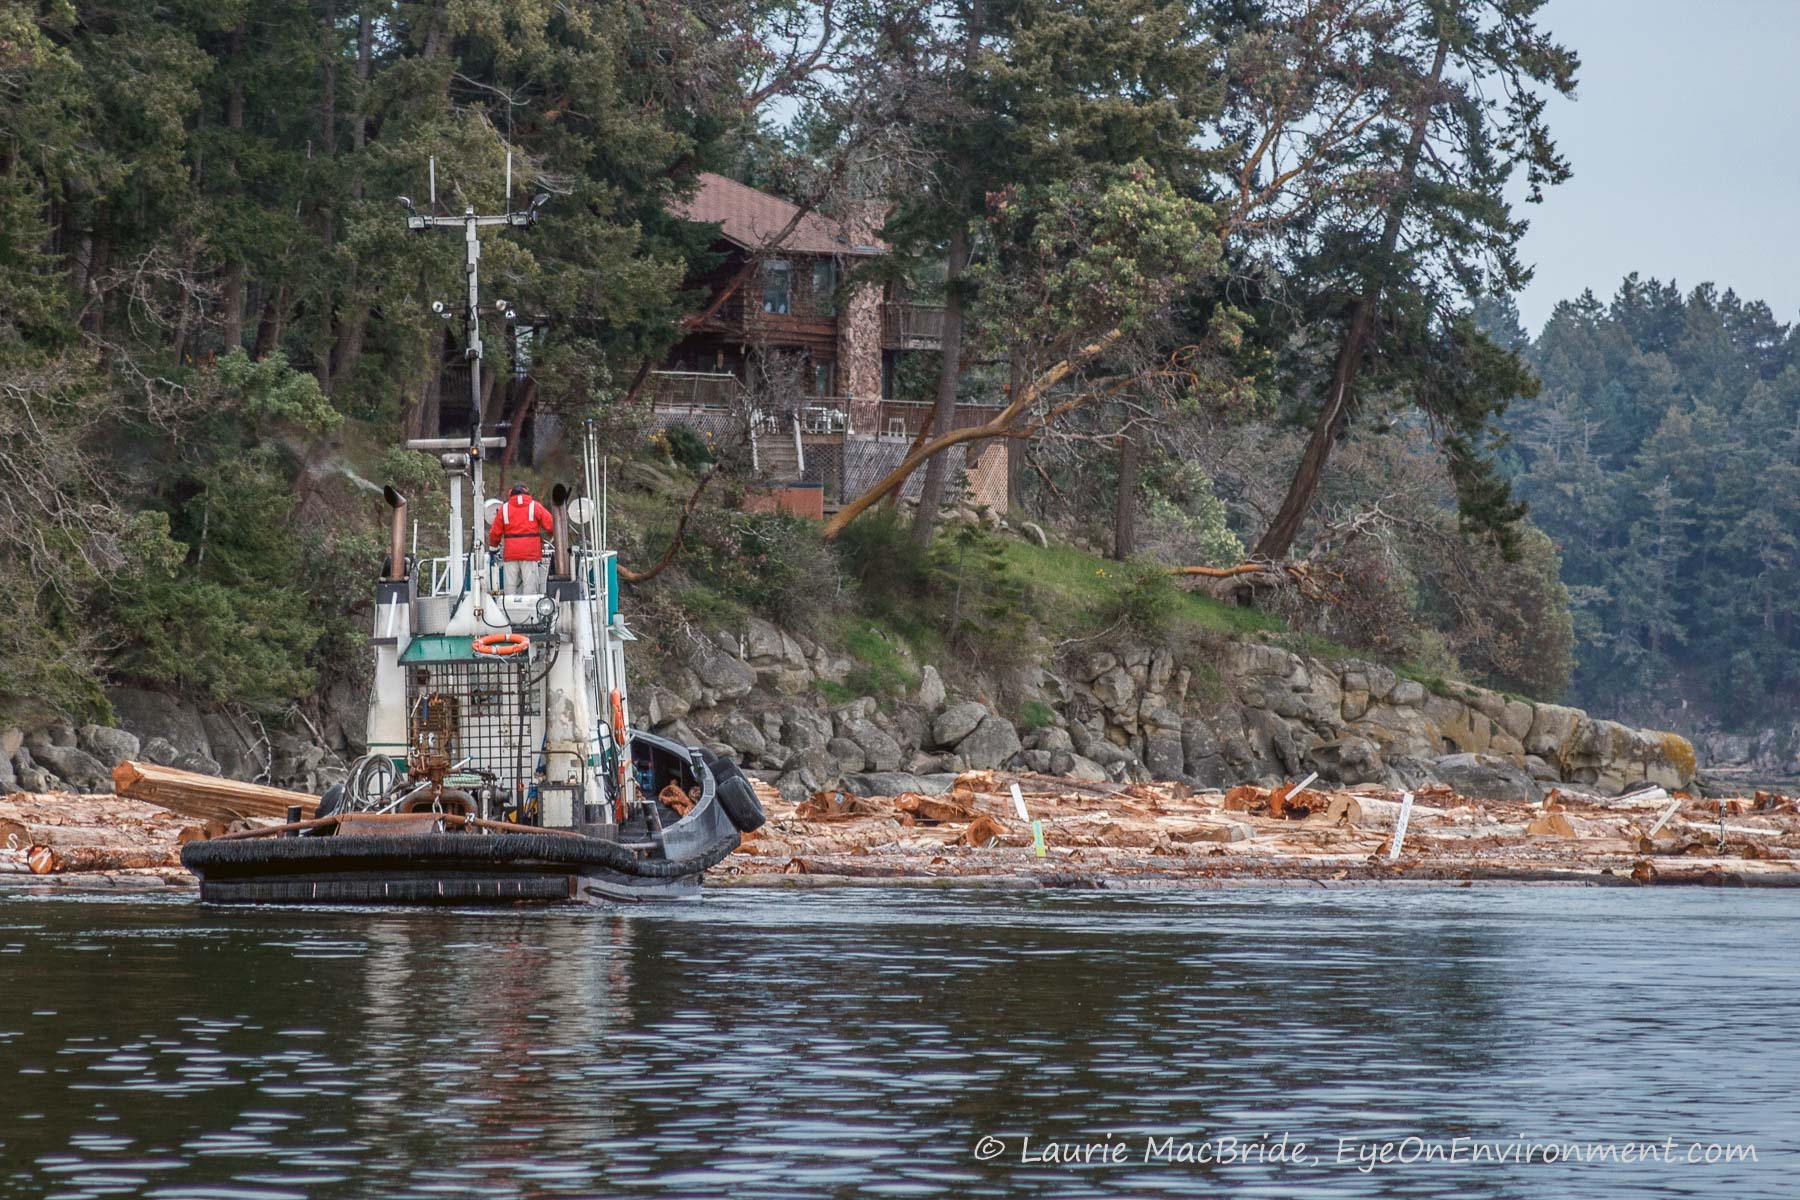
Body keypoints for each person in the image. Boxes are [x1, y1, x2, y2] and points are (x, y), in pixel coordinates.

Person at [488, 482, 554, 593]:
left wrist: (493, 548)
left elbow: (495, 532)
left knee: (510, 588)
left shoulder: (504, 509)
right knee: (530, 588)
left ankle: (509, 604)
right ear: (527, 492)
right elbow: (551, 524)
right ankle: (530, 605)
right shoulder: (535, 506)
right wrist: (553, 536)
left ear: (511, 493)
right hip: (530, 554)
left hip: (511, 554)